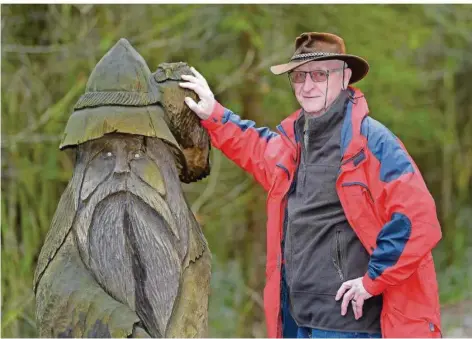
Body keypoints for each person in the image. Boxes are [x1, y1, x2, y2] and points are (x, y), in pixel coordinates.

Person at [179, 32, 442, 338]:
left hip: (350, 327)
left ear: (344, 78)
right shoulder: (294, 144)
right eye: (299, 76)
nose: (307, 86)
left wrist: (372, 281)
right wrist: (214, 113)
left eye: (319, 75)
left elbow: (418, 219)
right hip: (297, 320)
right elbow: (255, 147)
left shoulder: (372, 142)